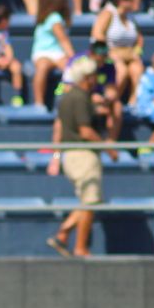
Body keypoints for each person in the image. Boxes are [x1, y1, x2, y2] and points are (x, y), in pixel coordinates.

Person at [44, 57, 118, 257]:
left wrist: (57, 155)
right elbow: (85, 131)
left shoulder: (67, 96)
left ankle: (63, 235)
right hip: (82, 153)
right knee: (90, 201)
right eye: (94, 75)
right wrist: (108, 149)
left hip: (72, 153)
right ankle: (80, 247)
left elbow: (59, 126)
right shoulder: (79, 97)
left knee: (88, 200)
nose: (96, 79)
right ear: (87, 77)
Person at [91, 0, 144, 105]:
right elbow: (97, 35)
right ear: (121, 1)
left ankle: (133, 103)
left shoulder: (131, 18)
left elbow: (140, 38)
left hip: (128, 55)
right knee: (121, 70)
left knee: (137, 68)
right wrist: (110, 54)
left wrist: (137, 52)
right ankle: (110, 102)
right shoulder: (108, 13)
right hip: (108, 55)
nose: (134, 2)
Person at [30, 0, 74, 107]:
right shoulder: (54, 18)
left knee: (69, 70)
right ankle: (38, 102)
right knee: (42, 68)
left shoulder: (51, 17)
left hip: (57, 53)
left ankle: (59, 92)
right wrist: (73, 56)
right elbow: (63, 40)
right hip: (42, 53)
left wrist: (71, 60)